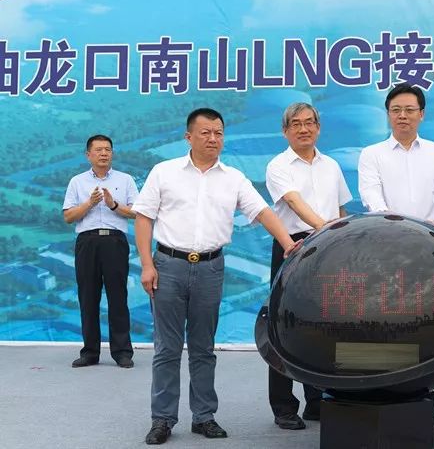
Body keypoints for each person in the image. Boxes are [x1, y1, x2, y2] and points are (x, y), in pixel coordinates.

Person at [133, 108, 298, 445]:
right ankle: (162, 419)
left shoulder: (233, 178)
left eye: (218, 133)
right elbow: (144, 218)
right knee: (167, 348)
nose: (213, 139)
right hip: (168, 266)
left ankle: (204, 416)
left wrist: (288, 244)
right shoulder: (164, 172)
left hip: (210, 268)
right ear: (188, 137)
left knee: (203, 347)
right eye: (205, 132)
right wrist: (147, 265)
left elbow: (263, 212)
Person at [357, 83, 434, 425]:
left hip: (430, 253)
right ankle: (384, 394)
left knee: (426, 325)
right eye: (396, 110)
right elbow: (373, 199)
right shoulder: (372, 154)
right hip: (386, 251)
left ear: (421, 114)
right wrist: (401, 229)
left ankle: (423, 397)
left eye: (409, 110)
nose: (403, 116)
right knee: (385, 324)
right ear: (388, 115)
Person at [266, 102, 352, 429]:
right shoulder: (278, 165)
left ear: (318, 127)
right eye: (296, 124)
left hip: (330, 246)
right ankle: (283, 406)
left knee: (324, 324)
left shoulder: (331, 165)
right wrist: (325, 230)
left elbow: (341, 209)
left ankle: (317, 401)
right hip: (294, 245)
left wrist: (341, 240)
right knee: (285, 325)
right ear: (285, 131)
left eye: (309, 122)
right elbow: (293, 202)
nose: (303, 129)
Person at [63, 134, 138, 369]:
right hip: (87, 242)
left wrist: (113, 204)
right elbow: (68, 216)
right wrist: (90, 203)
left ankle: (122, 352)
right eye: (98, 150)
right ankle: (90, 352)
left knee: (118, 297)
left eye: (107, 149)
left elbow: (136, 212)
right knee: (88, 297)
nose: (104, 153)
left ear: (112, 153)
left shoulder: (125, 180)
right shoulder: (77, 182)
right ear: (88, 155)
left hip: (115, 241)